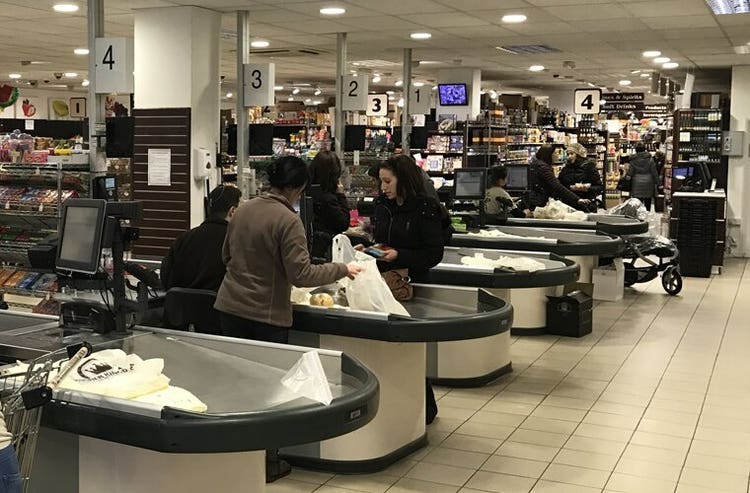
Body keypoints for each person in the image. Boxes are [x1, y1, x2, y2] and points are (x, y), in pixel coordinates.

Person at [214, 156, 362, 483]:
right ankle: (267, 461)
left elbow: (226, 256)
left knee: (236, 386)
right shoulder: (288, 219)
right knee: (268, 391)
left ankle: (236, 457)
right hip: (265, 316)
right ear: (297, 188)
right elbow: (302, 274)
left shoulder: (243, 210)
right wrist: (342, 268)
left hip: (229, 308)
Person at [371, 154, 445, 425]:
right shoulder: (382, 205)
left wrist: (400, 256)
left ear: (403, 180)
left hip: (414, 287)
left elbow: (434, 253)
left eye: (387, 181)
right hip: (384, 284)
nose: (383, 188)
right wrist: (371, 250)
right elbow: (381, 239)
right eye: (381, 182)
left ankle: (424, 408)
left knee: (412, 348)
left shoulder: (426, 208)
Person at [160, 185, 242, 291]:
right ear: (232, 211)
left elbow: (166, 276)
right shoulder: (237, 240)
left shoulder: (184, 238)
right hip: (221, 301)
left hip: (180, 301)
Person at [308, 151, 351, 261]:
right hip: (328, 250)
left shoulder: (308, 192)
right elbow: (344, 223)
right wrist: (341, 195)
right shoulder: (328, 199)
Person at [528, 144, 590, 211]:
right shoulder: (543, 168)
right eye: (555, 153)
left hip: (536, 201)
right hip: (540, 203)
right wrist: (577, 199)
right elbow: (557, 186)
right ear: (549, 154)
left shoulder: (536, 165)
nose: (557, 155)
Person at [558, 142, 604, 209]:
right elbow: (559, 185)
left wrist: (586, 188)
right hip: (569, 204)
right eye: (568, 154)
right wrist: (570, 187)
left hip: (586, 204)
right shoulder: (565, 169)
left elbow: (599, 187)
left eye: (572, 154)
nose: (569, 156)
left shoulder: (589, 167)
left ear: (578, 155)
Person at [627, 143, 659, 210]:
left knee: (637, 202)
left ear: (636, 150)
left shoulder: (633, 160)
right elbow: (654, 172)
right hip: (648, 182)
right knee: (648, 201)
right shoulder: (650, 159)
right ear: (645, 150)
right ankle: (647, 213)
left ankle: (639, 214)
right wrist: (659, 183)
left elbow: (630, 172)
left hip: (636, 182)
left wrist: (627, 176)